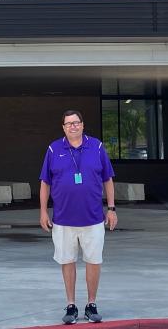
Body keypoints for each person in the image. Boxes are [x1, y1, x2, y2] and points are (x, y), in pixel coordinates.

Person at [39, 109, 117, 324]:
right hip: (63, 219)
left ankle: (91, 305)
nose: (72, 126)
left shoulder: (97, 146)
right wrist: (44, 211)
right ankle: (71, 305)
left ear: (83, 125)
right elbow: (45, 182)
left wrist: (111, 209)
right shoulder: (54, 149)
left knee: (93, 261)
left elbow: (108, 179)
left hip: (93, 218)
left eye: (76, 122)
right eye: (68, 123)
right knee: (67, 261)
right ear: (63, 127)